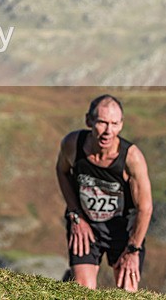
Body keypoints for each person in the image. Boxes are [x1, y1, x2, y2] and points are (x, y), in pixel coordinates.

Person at [55, 94, 153, 292]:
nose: (109, 131)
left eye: (114, 124)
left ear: (121, 125)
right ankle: (73, 277)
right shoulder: (72, 144)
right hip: (86, 225)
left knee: (126, 292)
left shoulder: (131, 157)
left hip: (123, 230)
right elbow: (62, 171)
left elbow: (145, 207)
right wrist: (76, 215)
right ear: (89, 121)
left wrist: (133, 249)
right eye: (102, 122)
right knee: (83, 291)